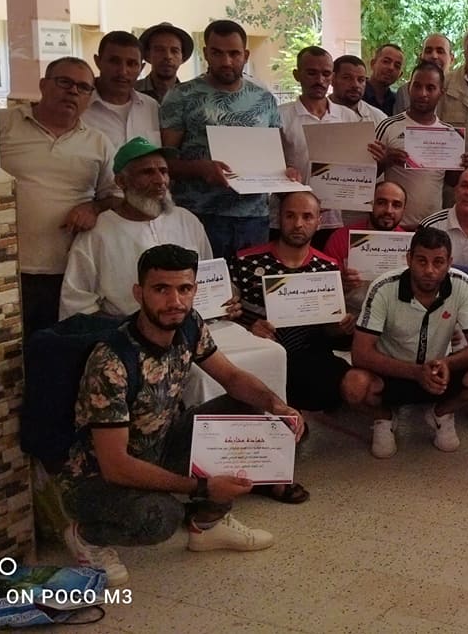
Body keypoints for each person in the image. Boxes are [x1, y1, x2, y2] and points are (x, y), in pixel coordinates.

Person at [59, 244, 304, 586]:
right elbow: (116, 465)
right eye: (161, 289)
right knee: (162, 517)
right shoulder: (112, 361)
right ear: (139, 293)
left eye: (184, 289)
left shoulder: (189, 325)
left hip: (160, 444)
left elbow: (232, 378)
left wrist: (277, 405)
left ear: (194, 291)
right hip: (96, 478)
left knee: (249, 409)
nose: (174, 301)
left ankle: (209, 525)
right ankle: (87, 536)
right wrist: (202, 486)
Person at [59, 138, 289, 410]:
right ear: (121, 181)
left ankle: (272, 427)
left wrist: (227, 299)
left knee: (272, 352)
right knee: (200, 375)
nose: (160, 180)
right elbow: (77, 306)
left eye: (164, 171)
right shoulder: (97, 233)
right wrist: (134, 328)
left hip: (199, 329)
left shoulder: (186, 220)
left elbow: (209, 278)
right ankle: (199, 435)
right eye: (147, 172)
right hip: (135, 339)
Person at [353, 226, 468, 455]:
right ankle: (384, 418)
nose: (429, 270)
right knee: (354, 385)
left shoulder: (463, 284)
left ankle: (441, 413)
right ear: (409, 259)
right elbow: (360, 353)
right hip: (393, 373)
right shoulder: (383, 287)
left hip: (439, 373)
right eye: (421, 261)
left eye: (438, 262)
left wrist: (447, 363)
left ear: (449, 263)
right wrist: (415, 372)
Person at [0, 57, 119, 334]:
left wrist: (94, 207)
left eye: (83, 87)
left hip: (68, 271)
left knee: (55, 348)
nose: (73, 91)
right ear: (43, 85)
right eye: (64, 82)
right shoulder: (3, 124)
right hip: (7, 269)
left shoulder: (99, 142)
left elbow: (116, 195)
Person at [160, 19, 290, 260]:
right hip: (199, 215)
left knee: (251, 282)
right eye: (217, 53)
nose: (226, 61)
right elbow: (163, 163)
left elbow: (276, 157)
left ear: (246, 55)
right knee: (202, 282)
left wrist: (287, 174)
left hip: (253, 218)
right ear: (206, 53)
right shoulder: (181, 96)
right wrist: (200, 169)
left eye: (234, 54)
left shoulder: (264, 99)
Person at [230, 193, 354, 434]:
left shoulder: (327, 267)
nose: (298, 224)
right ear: (279, 218)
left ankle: (298, 411)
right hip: (258, 356)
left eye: (307, 217)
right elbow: (224, 317)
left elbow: (327, 329)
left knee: (351, 384)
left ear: (319, 221)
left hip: (306, 356)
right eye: (290, 216)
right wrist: (248, 330)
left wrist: (340, 327)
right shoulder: (244, 261)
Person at [372, 61, 468, 228]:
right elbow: (365, 176)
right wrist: (385, 161)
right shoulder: (388, 126)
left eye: (430, 88)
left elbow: (451, 181)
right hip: (394, 225)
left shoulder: (450, 135)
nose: (422, 93)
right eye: (417, 86)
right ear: (409, 88)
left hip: (431, 226)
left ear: (441, 93)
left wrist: (461, 167)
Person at [276, 46, 355, 248]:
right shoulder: (279, 116)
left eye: (326, 74)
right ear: (297, 74)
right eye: (311, 73)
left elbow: (357, 166)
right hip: (290, 220)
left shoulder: (348, 117)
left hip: (331, 219)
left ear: (332, 77)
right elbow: (268, 166)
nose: (320, 80)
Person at [324, 180, 408, 316]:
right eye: (381, 202)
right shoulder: (341, 237)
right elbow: (325, 291)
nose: (388, 210)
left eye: (396, 205)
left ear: (404, 210)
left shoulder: (410, 243)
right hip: (350, 315)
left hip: (392, 317)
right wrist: (342, 285)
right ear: (370, 204)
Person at [85, 30, 160, 147]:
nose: (123, 71)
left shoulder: (152, 108)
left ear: (141, 68)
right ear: (98, 61)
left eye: (131, 64)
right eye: (114, 61)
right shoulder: (79, 108)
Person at [135, 22, 193, 102]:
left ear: (182, 57)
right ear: (148, 55)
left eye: (174, 51)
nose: (168, 56)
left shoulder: (191, 97)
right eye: (159, 50)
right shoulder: (131, 92)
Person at [329, 54, 389, 124]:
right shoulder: (319, 116)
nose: (355, 85)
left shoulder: (379, 119)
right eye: (347, 78)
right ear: (332, 79)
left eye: (361, 80)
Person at [364, 43, 405, 115]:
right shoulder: (356, 94)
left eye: (397, 66)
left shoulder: (397, 103)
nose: (391, 68)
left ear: (400, 75)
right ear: (373, 64)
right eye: (386, 61)